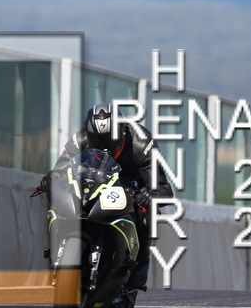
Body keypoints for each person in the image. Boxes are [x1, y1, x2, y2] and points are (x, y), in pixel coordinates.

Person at [41, 102, 173, 290]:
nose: (104, 144)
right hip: (93, 180)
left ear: (122, 130)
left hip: (131, 184)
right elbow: (61, 168)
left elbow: (162, 187)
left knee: (147, 213)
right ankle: (56, 251)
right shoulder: (80, 138)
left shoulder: (142, 142)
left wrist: (150, 194)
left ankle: (140, 263)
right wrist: (52, 178)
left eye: (110, 138)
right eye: (97, 138)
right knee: (55, 195)